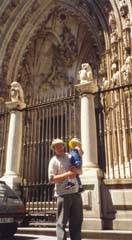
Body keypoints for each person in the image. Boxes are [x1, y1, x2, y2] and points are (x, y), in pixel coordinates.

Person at [48, 138, 83, 240]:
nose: (59, 147)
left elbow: (80, 171)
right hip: (63, 195)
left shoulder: (71, 156)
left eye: (60, 145)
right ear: (54, 149)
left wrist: (76, 171)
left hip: (76, 193)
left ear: (64, 146)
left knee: (76, 223)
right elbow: (51, 179)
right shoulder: (53, 161)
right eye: (56, 146)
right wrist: (67, 174)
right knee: (61, 223)